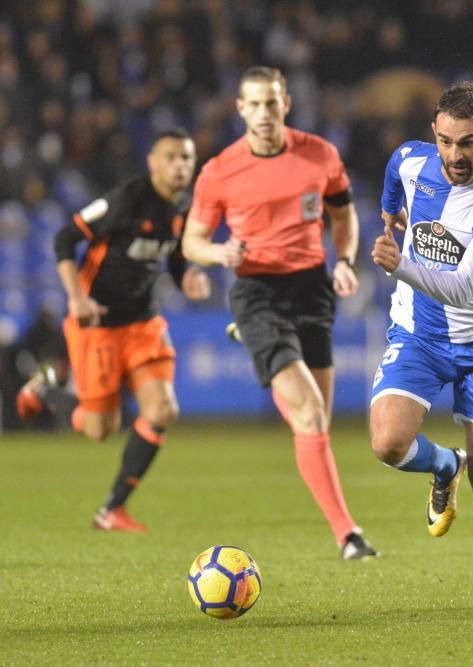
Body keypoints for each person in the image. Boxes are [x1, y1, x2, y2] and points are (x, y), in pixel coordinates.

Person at [181, 66, 378, 561]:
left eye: (272, 103)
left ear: (285, 104)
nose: (264, 113)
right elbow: (192, 241)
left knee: (316, 424)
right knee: (309, 412)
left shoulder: (320, 155)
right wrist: (218, 254)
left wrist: (346, 262)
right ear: (240, 109)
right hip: (256, 290)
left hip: (311, 287)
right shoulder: (220, 170)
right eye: (255, 104)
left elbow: (342, 214)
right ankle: (348, 535)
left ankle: (259, 347)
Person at [369, 82, 473, 611]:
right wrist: (391, 214)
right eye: (445, 141)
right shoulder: (413, 161)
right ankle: (443, 466)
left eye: (467, 143)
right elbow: (394, 172)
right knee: (388, 444)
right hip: (418, 333)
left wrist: (401, 264)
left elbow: (463, 287)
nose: (454, 156)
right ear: (432, 136)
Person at [16, 128, 210, 532]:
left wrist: (186, 276)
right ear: (153, 162)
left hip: (142, 321)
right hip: (97, 322)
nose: (179, 166)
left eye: (186, 159)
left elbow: (172, 256)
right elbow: (64, 239)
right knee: (98, 428)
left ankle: (112, 509)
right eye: (171, 157)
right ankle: (43, 391)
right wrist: (76, 298)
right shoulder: (125, 200)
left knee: (163, 410)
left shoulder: (185, 207)